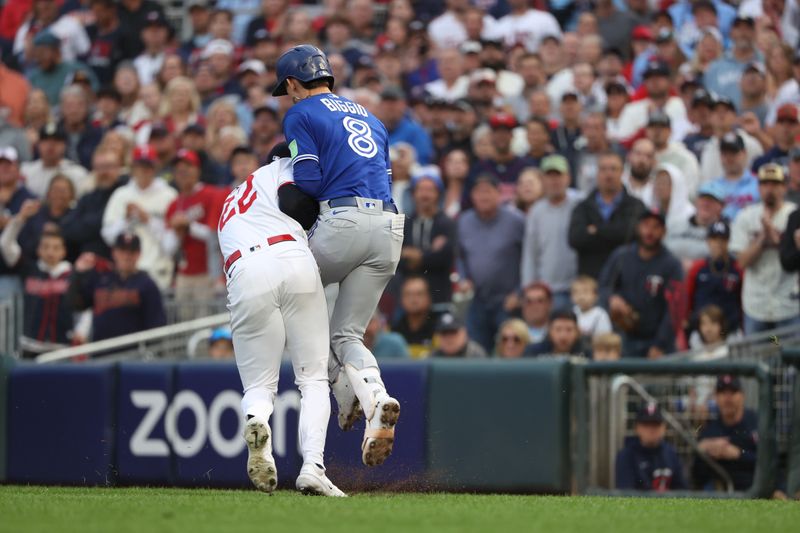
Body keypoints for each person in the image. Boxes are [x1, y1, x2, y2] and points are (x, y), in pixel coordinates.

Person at [272, 45, 402, 467]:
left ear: (294, 83)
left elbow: (307, 179)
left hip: (341, 224)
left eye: (286, 88)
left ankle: (340, 394)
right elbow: (382, 176)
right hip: (387, 229)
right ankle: (374, 398)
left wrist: (284, 172)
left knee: (287, 300)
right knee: (346, 334)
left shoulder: (300, 113)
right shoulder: (371, 116)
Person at [217, 142, 344, 496]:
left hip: (244, 270)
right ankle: (313, 467)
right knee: (313, 378)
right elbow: (296, 203)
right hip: (291, 255)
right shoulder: (285, 168)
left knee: (258, 386)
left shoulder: (231, 199)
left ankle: (257, 420)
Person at [599, 211, 684, 358]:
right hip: (624, 338)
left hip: (656, 341)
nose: (649, 232)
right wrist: (612, 299)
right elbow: (604, 286)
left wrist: (660, 344)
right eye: (645, 226)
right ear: (638, 227)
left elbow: (674, 309)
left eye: (655, 227)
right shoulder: (621, 256)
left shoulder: (672, 265)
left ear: (664, 231)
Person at [457, 174, 524, 352]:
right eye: (479, 192)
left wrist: (519, 292)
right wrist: (464, 278)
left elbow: (528, 258)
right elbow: (460, 256)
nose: (483, 196)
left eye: (488, 191)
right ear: (472, 196)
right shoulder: (464, 221)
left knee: (508, 350)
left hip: (507, 300)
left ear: (499, 194)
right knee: (477, 349)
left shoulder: (516, 220)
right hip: (477, 299)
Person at [729, 163, 799, 334]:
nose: (770, 189)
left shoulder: (795, 215)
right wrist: (763, 237)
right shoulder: (746, 216)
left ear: (784, 187)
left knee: (787, 356)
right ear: (758, 187)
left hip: (788, 303)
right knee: (759, 356)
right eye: (765, 184)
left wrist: (776, 238)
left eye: (775, 184)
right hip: (756, 304)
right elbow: (742, 262)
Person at [0, 203, 73, 358]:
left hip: (61, 347)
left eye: (55, 247)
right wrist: (20, 218)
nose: (50, 252)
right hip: (30, 346)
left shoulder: (72, 274)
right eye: (45, 247)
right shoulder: (30, 269)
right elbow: (6, 244)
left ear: (63, 251)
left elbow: (82, 309)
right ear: (38, 250)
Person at [162, 149, 224, 321]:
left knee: (204, 327)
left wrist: (190, 227)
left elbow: (219, 235)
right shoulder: (174, 204)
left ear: (197, 169)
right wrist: (177, 231)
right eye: (178, 170)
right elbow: (167, 249)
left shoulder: (212, 195)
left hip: (208, 274)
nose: (182, 173)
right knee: (182, 327)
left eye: (187, 167)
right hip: (183, 275)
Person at [71, 232, 166, 343]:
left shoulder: (147, 284)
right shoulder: (101, 278)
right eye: (122, 251)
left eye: (131, 252)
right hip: (100, 353)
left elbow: (156, 325)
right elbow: (77, 304)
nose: (126, 256)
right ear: (114, 252)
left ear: (139, 254)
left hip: (132, 355)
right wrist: (78, 274)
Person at [569, 151, 646, 279]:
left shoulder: (636, 206)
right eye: (603, 169)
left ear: (622, 172)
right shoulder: (582, 207)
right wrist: (613, 233)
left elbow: (629, 234)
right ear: (597, 173)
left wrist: (595, 230)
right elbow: (575, 239)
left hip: (626, 279)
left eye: (613, 169)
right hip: (590, 283)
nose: (608, 174)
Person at [521, 154, 581, 310]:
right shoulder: (536, 211)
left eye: (558, 176)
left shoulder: (580, 203)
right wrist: (528, 287)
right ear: (542, 180)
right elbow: (530, 253)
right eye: (549, 176)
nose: (554, 181)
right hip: (548, 289)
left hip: (579, 288)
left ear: (568, 177)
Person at [398, 168, 455, 309]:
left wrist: (414, 255)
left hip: (439, 295)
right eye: (420, 190)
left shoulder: (446, 223)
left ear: (438, 194)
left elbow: (444, 256)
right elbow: (397, 258)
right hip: (408, 297)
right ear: (413, 194)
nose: (425, 195)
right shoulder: (405, 223)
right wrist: (428, 254)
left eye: (430, 190)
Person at [692, 375, 758, 492]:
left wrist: (738, 454)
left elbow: (770, 463)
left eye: (733, 392)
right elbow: (698, 478)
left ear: (742, 396)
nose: (728, 398)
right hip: (724, 495)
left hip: (756, 488)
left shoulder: (756, 422)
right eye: (722, 393)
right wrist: (702, 450)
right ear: (716, 397)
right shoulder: (710, 431)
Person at [685, 221, 743, 336]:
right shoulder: (698, 268)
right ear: (708, 241)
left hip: (730, 330)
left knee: (773, 340)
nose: (719, 243)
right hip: (701, 332)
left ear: (729, 241)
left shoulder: (738, 268)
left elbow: (742, 301)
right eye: (714, 239)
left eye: (723, 239)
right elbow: (688, 298)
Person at [615, 402, 687, 492]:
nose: (651, 430)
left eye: (655, 425)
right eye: (646, 425)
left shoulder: (671, 453)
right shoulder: (626, 456)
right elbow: (626, 493)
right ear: (637, 428)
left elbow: (682, 490)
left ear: (663, 428)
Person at [665, 181, 727, 268]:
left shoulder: (725, 233)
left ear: (722, 206)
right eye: (703, 198)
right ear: (696, 201)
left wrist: (694, 267)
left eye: (711, 200)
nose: (706, 203)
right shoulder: (674, 224)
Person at [20, 122, 89, 199]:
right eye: (46, 140)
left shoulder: (78, 174)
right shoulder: (26, 171)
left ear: (64, 145)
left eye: (56, 141)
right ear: (38, 144)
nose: (50, 145)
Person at [707, 132, 760, 221]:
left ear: (744, 153)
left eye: (733, 153)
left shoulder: (759, 183)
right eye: (725, 153)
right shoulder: (711, 187)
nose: (729, 158)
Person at [391, 275, 437, 359]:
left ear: (428, 297)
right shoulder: (392, 330)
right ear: (401, 299)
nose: (413, 299)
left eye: (419, 294)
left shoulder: (440, 329)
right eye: (408, 294)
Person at [571, 276, 612, 341]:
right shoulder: (571, 312)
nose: (581, 296)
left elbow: (605, 338)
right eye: (576, 292)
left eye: (585, 292)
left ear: (595, 295)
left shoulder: (600, 314)